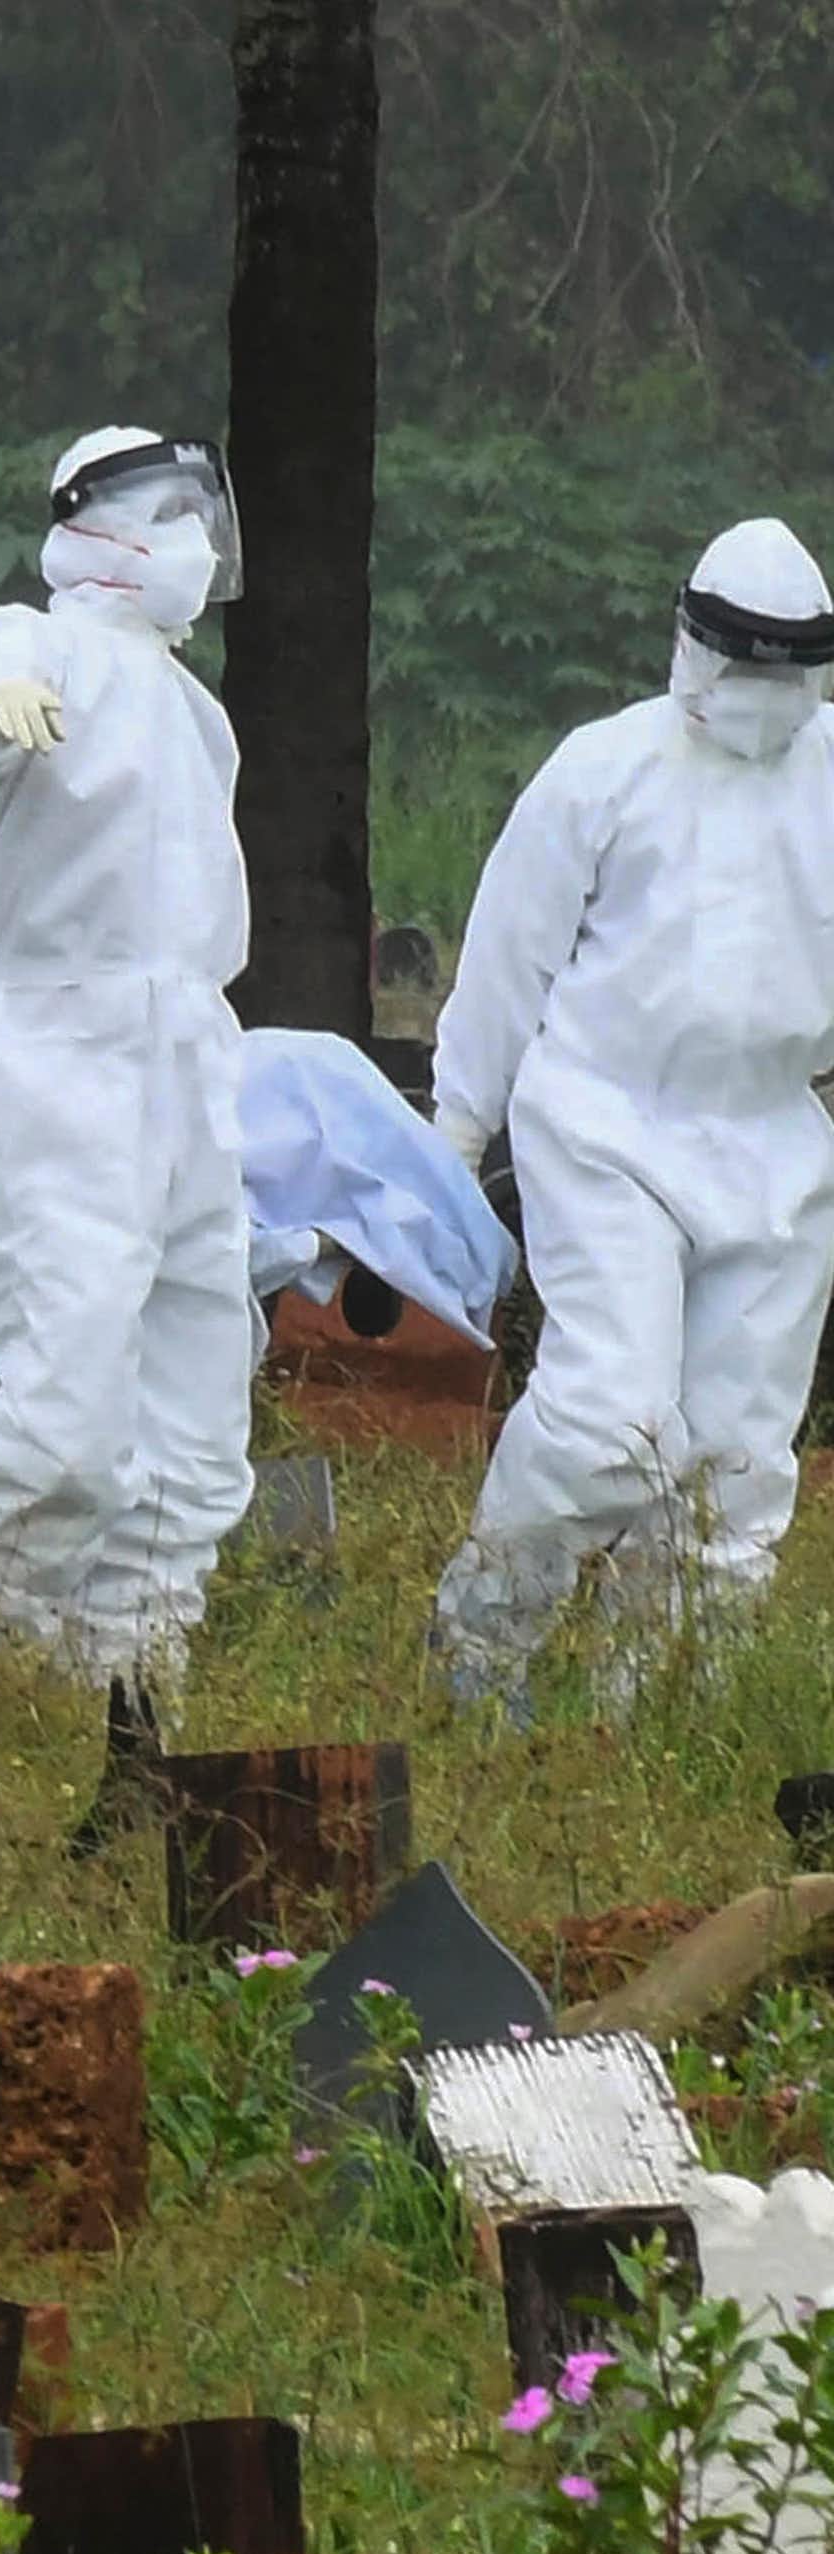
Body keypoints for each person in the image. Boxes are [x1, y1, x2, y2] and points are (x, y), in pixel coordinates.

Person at [429, 518, 834, 1717]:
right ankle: (474, 1659)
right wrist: (456, 1132)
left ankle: (653, 1727)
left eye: (785, 666)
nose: (759, 690)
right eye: (742, 661)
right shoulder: (604, 768)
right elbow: (506, 959)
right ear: (693, 645)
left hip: (776, 1139)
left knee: (735, 1466)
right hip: (607, 1125)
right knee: (607, 1416)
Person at [0, 426, 253, 1698]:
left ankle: (133, 1693)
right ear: (90, 524)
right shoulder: (28, 641)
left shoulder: (193, 708)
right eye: (167, 514)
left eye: (198, 513)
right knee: (68, 1415)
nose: (193, 541)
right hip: (48, 1048)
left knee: (195, 1414)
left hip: (184, 1057)